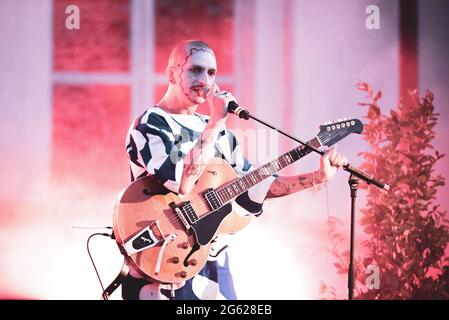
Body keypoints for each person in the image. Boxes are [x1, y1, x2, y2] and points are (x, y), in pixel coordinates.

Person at [121, 40, 348, 300]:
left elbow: (255, 184)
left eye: (211, 73)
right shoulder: (151, 123)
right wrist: (217, 120)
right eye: (195, 70)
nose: (204, 80)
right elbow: (182, 182)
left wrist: (316, 177)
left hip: (211, 263)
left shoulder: (219, 132)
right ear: (172, 74)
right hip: (160, 258)